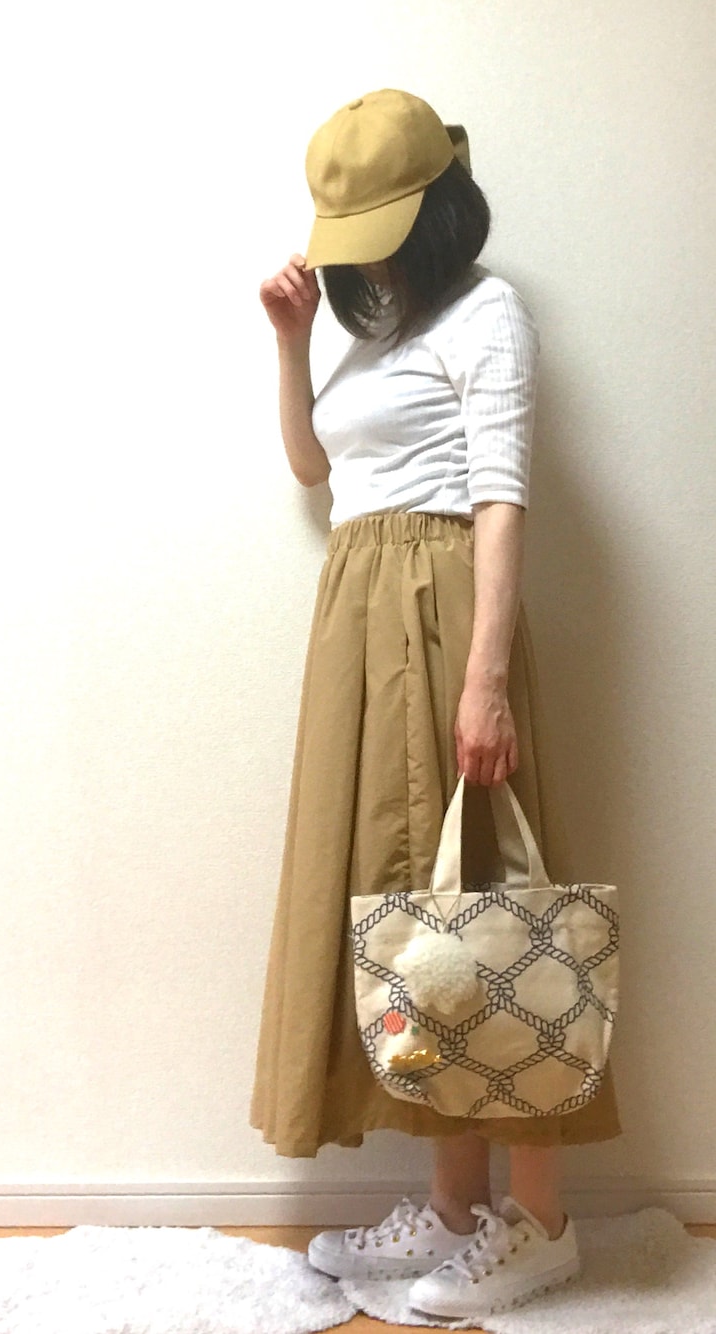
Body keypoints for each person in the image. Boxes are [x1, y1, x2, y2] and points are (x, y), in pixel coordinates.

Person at [251, 88, 621, 1321]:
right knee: (413, 912)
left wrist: (484, 678)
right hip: (360, 617)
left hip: (446, 608)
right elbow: (316, 468)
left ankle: (543, 1225)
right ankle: (455, 1211)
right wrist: (292, 342)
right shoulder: (379, 330)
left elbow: (501, 495)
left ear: (430, 212)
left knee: (488, 902)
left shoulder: (487, 312)